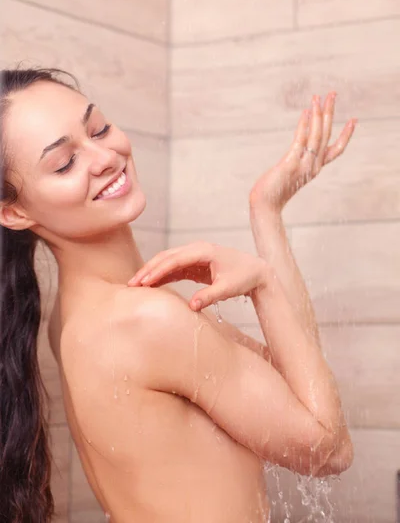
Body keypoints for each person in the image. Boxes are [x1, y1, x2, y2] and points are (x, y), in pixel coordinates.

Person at [0, 66, 356, 523]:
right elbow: (327, 449)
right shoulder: (143, 321)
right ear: (13, 212)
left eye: (99, 129)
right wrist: (263, 283)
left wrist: (265, 211)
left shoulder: (76, 316)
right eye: (65, 163)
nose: (104, 156)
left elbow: (299, 384)